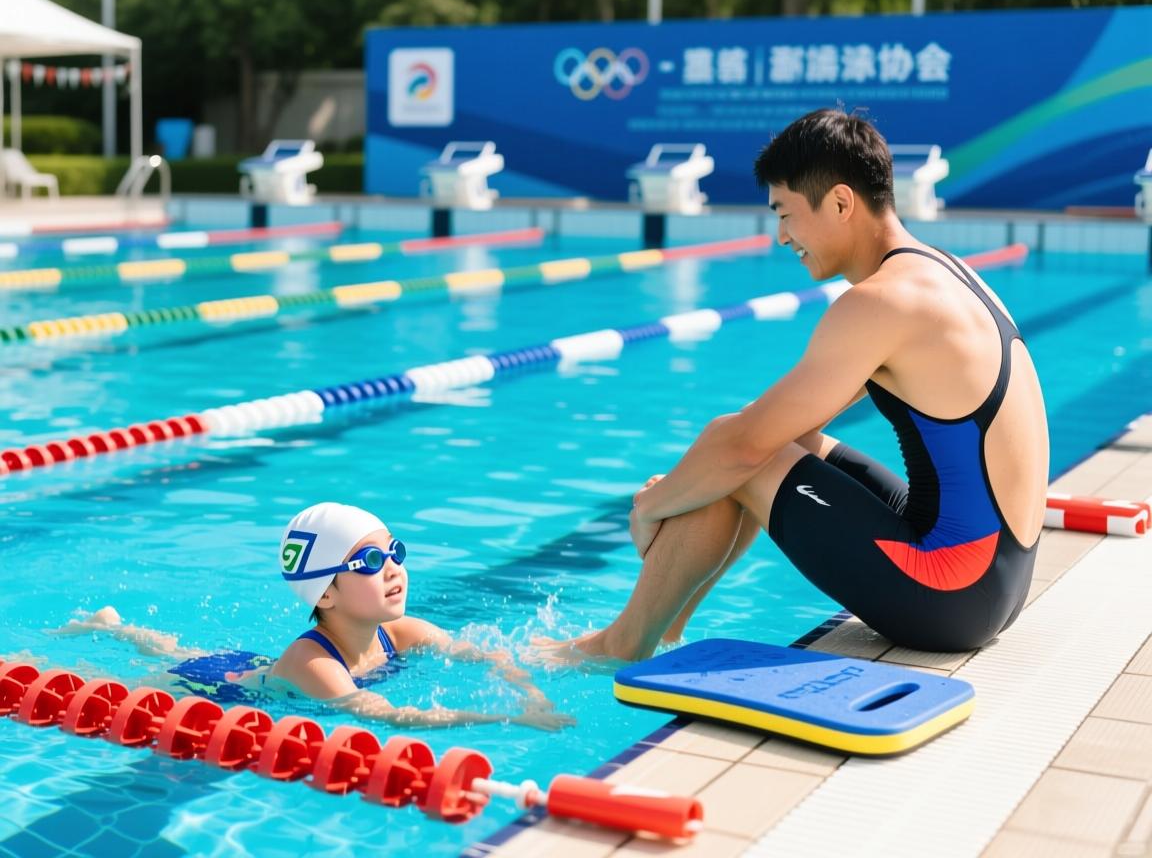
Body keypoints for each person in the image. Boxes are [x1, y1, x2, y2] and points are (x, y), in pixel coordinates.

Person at [561, 109, 1049, 661]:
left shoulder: (882, 301)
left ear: (841, 203)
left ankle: (623, 643)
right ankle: (667, 628)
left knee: (744, 451)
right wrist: (688, 484)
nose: (781, 236)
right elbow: (782, 430)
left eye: (786, 214)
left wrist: (652, 507)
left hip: (953, 590)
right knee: (751, 441)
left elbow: (745, 448)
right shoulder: (942, 273)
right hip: (994, 581)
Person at [57, 502, 574, 731]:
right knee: (120, 683)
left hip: (251, 665)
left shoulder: (402, 631)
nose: (393, 568)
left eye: (395, 551)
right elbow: (389, 715)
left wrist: (530, 693)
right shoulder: (313, 664)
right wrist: (505, 719)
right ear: (324, 594)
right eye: (371, 562)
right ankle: (69, 646)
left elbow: (487, 654)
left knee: (177, 648)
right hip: (220, 690)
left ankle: (113, 624)